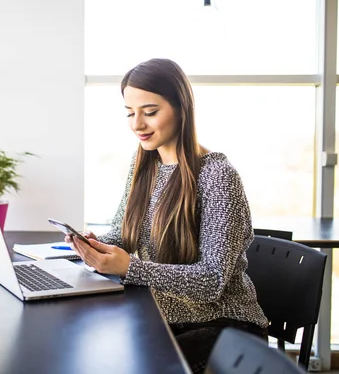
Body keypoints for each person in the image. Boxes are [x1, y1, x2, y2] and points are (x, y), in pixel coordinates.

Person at [66, 58, 269, 373]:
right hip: (162, 317)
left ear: (182, 109)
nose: (137, 124)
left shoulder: (217, 175)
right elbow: (122, 234)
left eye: (149, 112)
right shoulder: (145, 165)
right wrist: (88, 246)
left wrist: (131, 268)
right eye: (130, 113)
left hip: (224, 326)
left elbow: (212, 281)